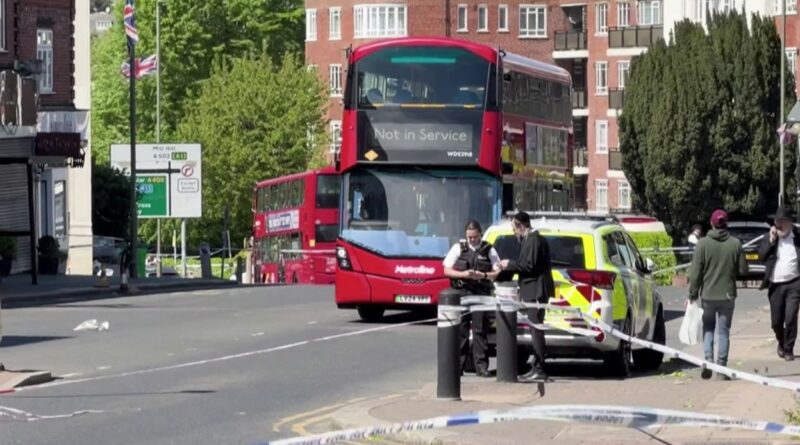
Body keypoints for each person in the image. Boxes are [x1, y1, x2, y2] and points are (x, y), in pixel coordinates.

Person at [688, 209, 746, 380]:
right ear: (726, 224)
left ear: (711, 224)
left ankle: (708, 361)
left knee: (708, 328)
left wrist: (692, 294)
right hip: (727, 295)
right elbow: (743, 269)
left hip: (708, 295)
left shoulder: (703, 244)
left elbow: (695, 273)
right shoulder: (735, 244)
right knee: (723, 332)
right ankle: (722, 367)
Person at [498, 211, 554, 382]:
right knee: (534, 329)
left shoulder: (534, 240)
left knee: (536, 329)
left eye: (514, 228)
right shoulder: (531, 240)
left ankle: (540, 368)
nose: (514, 232)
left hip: (536, 291)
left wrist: (509, 264)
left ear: (521, 225)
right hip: (532, 289)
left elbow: (528, 265)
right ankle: (537, 366)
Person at [443, 220, 500, 377]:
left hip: (481, 294)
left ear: (480, 234)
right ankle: (458, 366)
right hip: (463, 293)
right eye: (469, 237)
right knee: (461, 330)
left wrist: (483, 275)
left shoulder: (489, 249)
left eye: (475, 237)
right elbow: (446, 270)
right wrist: (463, 274)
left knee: (480, 330)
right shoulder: (458, 248)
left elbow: (496, 272)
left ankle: (481, 367)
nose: (472, 240)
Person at [759, 205, 800, 361]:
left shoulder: (797, 238)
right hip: (775, 284)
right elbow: (761, 256)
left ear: (790, 223)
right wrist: (770, 241)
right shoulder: (770, 238)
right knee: (776, 322)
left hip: (794, 283)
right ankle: (781, 343)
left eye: (783, 222)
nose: (779, 225)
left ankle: (789, 349)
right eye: (777, 221)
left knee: (790, 318)